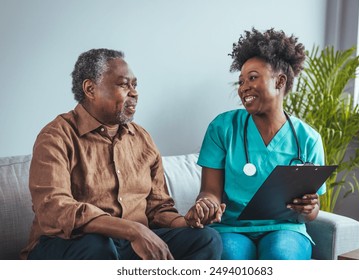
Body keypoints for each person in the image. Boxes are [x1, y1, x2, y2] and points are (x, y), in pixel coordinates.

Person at [20, 48, 222, 260]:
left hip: (130, 245)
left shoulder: (142, 139)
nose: (134, 92)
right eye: (124, 84)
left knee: (207, 239)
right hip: (68, 245)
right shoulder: (56, 137)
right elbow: (54, 209)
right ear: (90, 89)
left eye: (135, 85)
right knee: (97, 244)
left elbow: (158, 209)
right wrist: (132, 230)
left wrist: (186, 221)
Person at [184, 28, 326, 260]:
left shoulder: (308, 139)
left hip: (285, 228)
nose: (243, 87)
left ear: (280, 81)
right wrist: (206, 205)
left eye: (252, 77)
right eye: (240, 81)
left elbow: (310, 212)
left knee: (282, 256)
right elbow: (210, 191)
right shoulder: (222, 128)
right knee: (230, 258)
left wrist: (309, 209)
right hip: (231, 228)